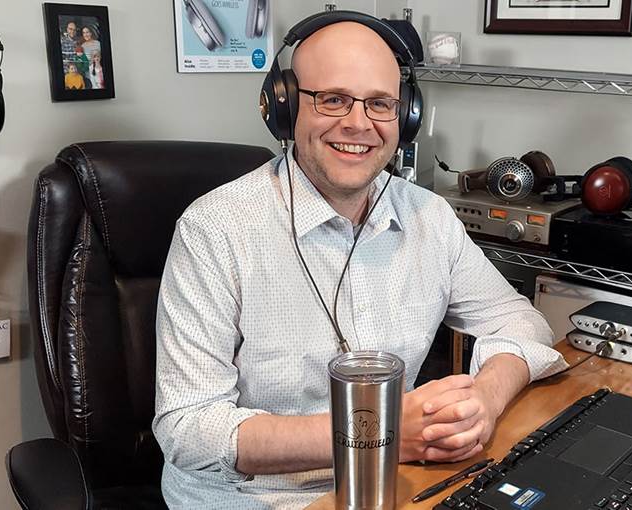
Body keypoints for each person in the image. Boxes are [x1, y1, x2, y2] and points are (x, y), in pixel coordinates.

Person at [153, 14, 568, 510]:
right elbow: (187, 428)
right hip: (257, 500)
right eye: (332, 99)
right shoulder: (214, 230)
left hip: (396, 484)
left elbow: (520, 320)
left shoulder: (429, 218)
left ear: (406, 116)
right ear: (283, 107)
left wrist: (486, 398)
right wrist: (382, 432)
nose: (358, 123)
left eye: (380, 104)